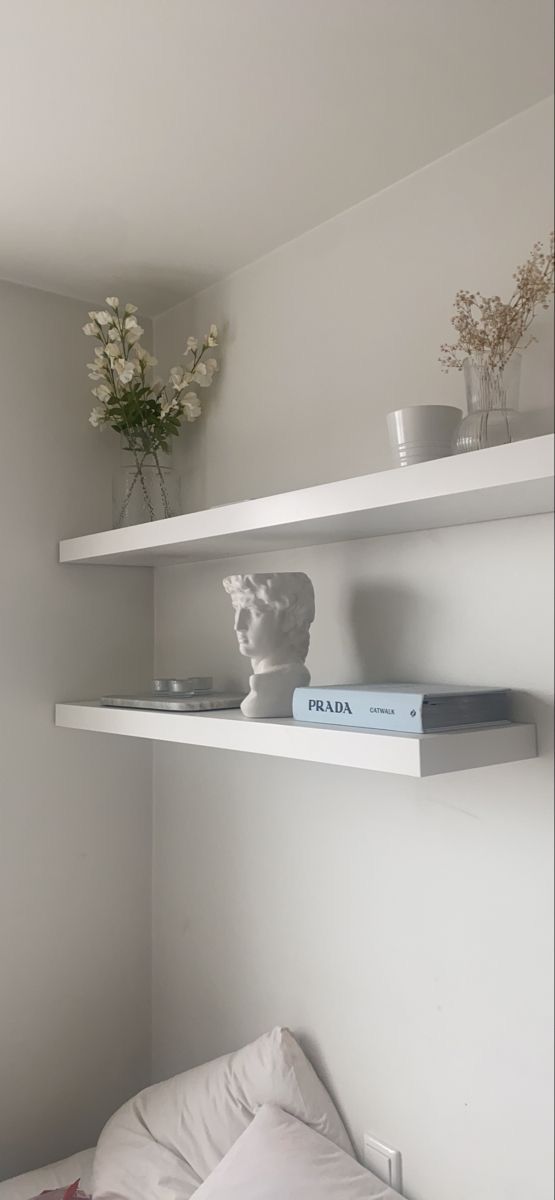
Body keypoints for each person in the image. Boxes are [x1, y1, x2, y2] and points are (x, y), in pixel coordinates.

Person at [222, 572, 315, 718]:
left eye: (254, 612)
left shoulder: (279, 682)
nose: (238, 625)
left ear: (289, 619)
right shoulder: (261, 681)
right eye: (236, 610)